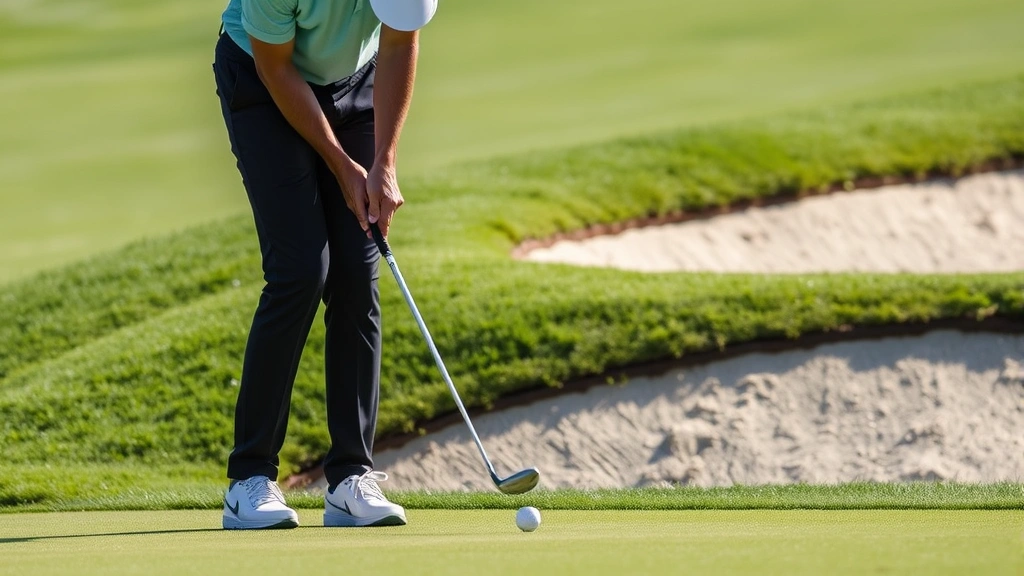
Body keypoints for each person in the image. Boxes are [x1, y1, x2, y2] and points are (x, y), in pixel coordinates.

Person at [212, 0, 437, 530]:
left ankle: (349, 478)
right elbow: (275, 66)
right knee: (300, 271)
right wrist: (341, 164)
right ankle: (248, 480)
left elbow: (400, 42)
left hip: (354, 82)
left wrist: (384, 162)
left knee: (359, 272)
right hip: (262, 78)